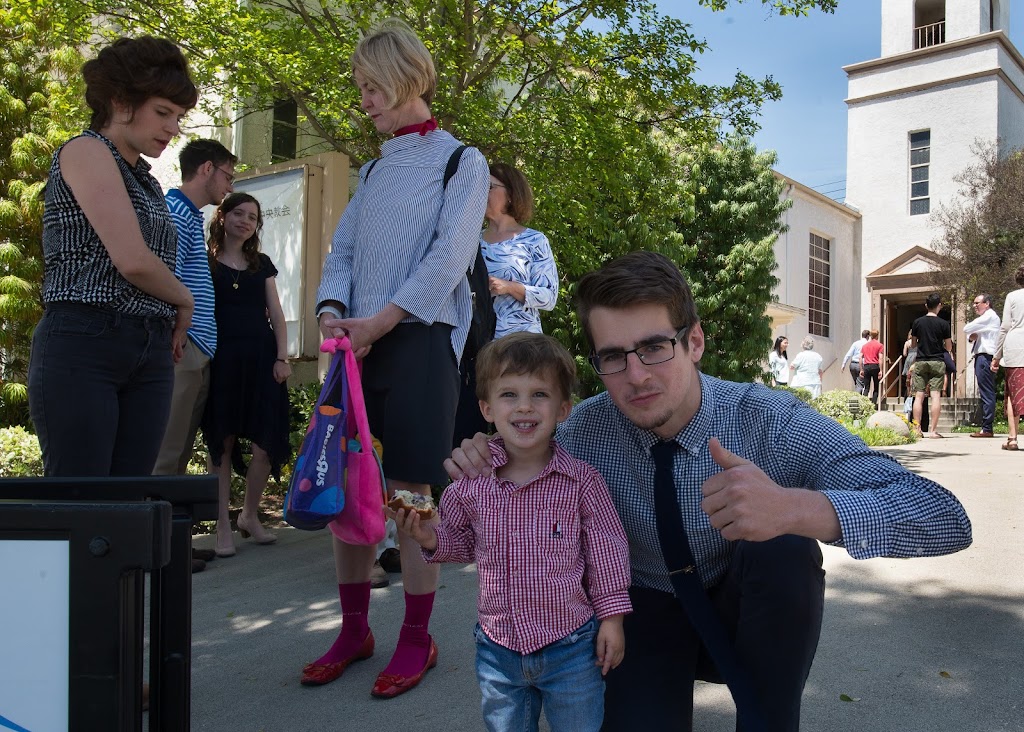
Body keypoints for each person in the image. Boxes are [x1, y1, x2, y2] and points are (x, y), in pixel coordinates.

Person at [447, 251, 972, 732]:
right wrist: (483, 454)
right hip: (638, 616)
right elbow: (514, 448)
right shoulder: (580, 432)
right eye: (613, 357)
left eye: (655, 347)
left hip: (742, 612)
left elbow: (944, 517)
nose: (636, 376)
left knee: (785, 550)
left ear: (693, 341)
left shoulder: (765, 420)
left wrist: (796, 508)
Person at [304, 19, 489, 697]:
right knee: (346, 490)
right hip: (356, 347)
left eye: (369, 86)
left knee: (412, 498)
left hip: (416, 344)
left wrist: (381, 321)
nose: (363, 100)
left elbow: (448, 258)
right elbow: (344, 252)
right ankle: (355, 630)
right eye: (360, 89)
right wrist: (331, 310)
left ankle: (418, 637)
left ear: (404, 74)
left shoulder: (461, 161)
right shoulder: (378, 168)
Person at [393, 332, 631, 731]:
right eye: (509, 394)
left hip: (571, 647)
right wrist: (429, 537)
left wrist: (613, 620)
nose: (524, 406)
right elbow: (462, 543)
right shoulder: (470, 483)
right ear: (486, 408)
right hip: (498, 650)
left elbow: (606, 552)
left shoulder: (581, 482)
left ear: (563, 409)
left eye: (540, 394)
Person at [28, 36, 197, 477]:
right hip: (85, 341)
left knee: (128, 509)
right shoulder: (86, 151)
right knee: (81, 507)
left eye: (178, 117)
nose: (173, 128)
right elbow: (133, 259)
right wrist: (185, 299)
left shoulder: (148, 181)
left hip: (151, 346)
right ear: (121, 102)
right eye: (163, 113)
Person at [152, 138, 237, 573]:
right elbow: (163, 275)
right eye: (227, 175)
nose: (229, 184)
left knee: (179, 451)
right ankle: (157, 551)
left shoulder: (189, 218)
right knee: (166, 453)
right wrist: (178, 329)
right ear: (206, 170)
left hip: (196, 350)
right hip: (181, 351)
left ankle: (171, 544)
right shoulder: (175, 213)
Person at [202, 193, 291, 557]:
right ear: (223, 217)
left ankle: (249, 516)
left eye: (252, 216)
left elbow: (277, 314)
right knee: (220, 443)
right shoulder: (205, 262)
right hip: (221, 361)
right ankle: (222, 521)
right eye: (238, 213)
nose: (244, 220)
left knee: (265, 444)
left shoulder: (262, 264)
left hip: (262, 360)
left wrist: (283, 357)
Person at [481, 163, 559, 338]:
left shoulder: (534, 240)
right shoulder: (472, 242)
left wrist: (509, 287)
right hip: (479, 347)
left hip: (522, 348)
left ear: (511, 194)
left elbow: (549, 298)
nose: (481, 192)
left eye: (489, 187)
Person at [911, 293, 953, 438]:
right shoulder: (944, 324)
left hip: (921, 360)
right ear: (939, 305)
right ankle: (933, 431)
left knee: (919, 396)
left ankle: (917, 429)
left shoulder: (917, 322)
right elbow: (948, 347)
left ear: (926, 306)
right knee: (936, 395)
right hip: (937, 360)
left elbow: (913, 344)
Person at [992, 265, 1024, 451]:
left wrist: (997, 356)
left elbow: (1005, 326)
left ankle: (1012, 438)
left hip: (1015, 347)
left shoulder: (1012, 296)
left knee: (1013, 393)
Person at [965, 293, 1001, 437]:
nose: (975, 306)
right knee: (985, 391)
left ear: (987, 303)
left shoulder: (989, 317)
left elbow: (967, 328)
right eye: (974, 303)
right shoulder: (985, 320)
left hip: (985, 357)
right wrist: (972, 335)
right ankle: (985, 426)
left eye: (977, 303)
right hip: (981, 356)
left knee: (987, 392)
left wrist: (973, 333)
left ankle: (987, 428)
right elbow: (970, 335)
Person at [859, 329, 884, 404]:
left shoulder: (865, 346)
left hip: (866, 366)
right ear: (877, 336)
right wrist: (881, 370)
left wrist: (861, 369)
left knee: (866, 387)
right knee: (876, 387)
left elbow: (860, 357)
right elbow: (881, 358)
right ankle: (873, 404)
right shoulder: (880, 345)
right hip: (875, 366)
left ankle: (864, 404)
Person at [901, 329, 917, 397]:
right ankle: (914, 392)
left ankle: (909, 392)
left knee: (908, 376)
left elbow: (904, 353)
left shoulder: (907, 343)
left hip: (909, 358)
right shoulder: (918, 342)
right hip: (916, 358)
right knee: (914, 375)